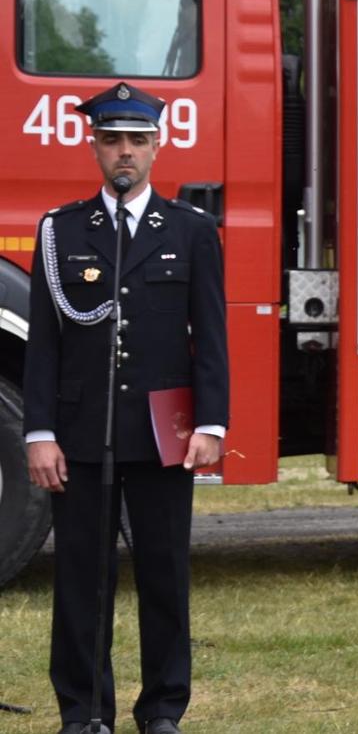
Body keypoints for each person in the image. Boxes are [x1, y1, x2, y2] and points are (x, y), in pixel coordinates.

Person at [25, 82, 230, 734]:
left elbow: (211, 336)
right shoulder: (60, 231)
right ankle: (84, 711)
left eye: (137, 141)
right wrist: (39, 432)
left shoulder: (192, 231)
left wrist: (211, 424)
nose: (125, 153)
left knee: (164, 575)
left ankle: (163, 709)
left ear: (156, 147)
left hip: (163, 434)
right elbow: (44, 343)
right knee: (82, 579)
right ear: (94, 147)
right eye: (112, 140)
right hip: (82, 433)